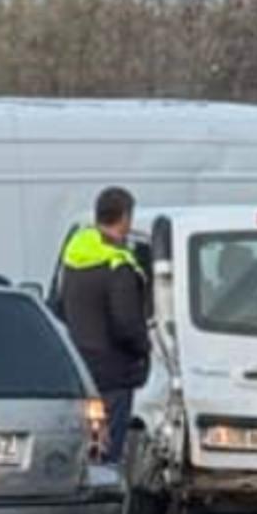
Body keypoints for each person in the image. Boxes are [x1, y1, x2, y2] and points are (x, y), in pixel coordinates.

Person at [58, 187, 149, 466]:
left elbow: (59, 307)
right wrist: (144, 347)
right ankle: (106, 500)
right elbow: (126, 323)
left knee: (91, 445)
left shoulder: (74, 256)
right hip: (113, 370)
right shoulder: (117, 264)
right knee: (108, 454)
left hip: (81, 368)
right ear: (125, 218)